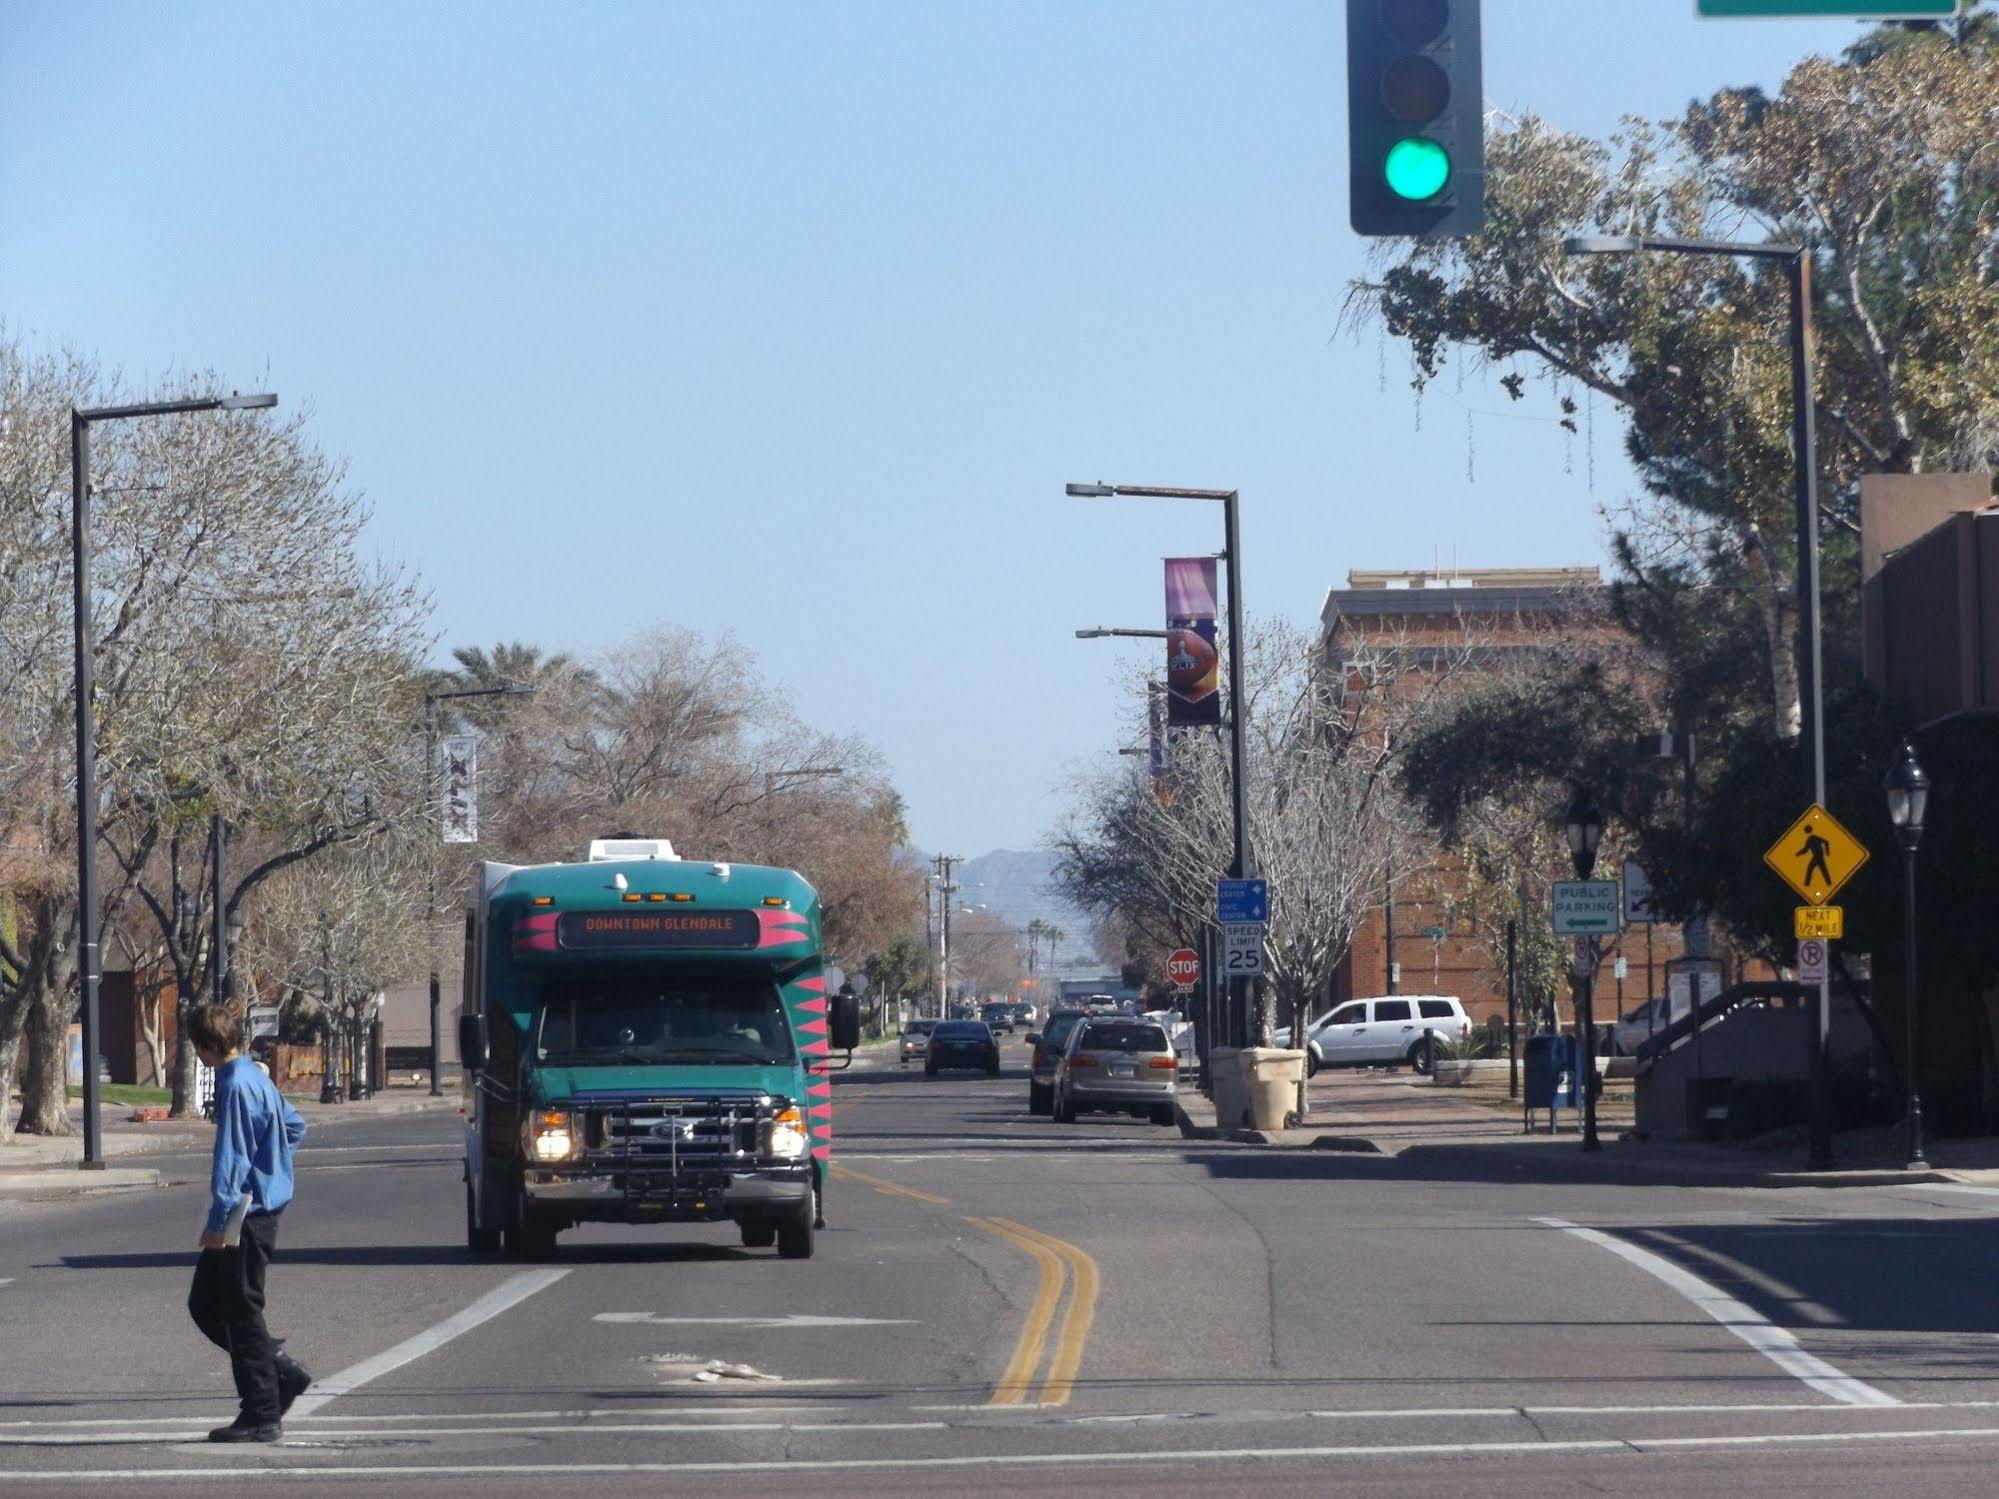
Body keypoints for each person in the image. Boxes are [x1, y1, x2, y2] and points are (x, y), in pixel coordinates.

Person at [185, 1001, 312, 1442]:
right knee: (207, 1303)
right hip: (258, 1207)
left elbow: (232, 1160)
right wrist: (274, 1164)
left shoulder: (236, 1084)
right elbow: (295, 1127)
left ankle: (263, 1411)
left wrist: (218, 1222)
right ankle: (276, 1375)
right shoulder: (256, 1077)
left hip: (246, 1213)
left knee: (240, 1310)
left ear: (203, 1047)